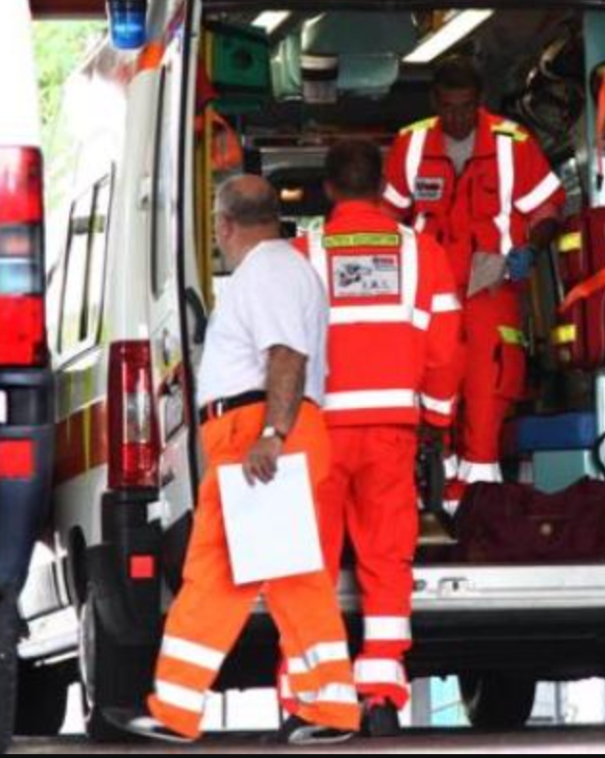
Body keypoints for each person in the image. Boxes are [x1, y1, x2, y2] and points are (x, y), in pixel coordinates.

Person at [119, 175, 360, 744]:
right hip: (263, 431)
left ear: (224, 226)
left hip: (260, 433)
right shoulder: (282, 267)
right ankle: (326, 704)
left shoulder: (268, 272)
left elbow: (286, 357)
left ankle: (180, 708)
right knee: (277, 576)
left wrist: (272, 434)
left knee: (223, 571)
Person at [297, 141, 461, 736]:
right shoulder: (423, 254)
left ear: (329, 190)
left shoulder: (303, 253)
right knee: (386, 561)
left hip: (318, 432)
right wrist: (439, 420)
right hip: (392, 432)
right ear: (385, 185)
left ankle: (314, 696)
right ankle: (382, 690)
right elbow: (445, 347)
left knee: (309, 562)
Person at [383, 56, 565, 513]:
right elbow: (389, 218)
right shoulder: (411, 144)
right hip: (431, 283)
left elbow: (547, 210)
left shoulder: (513, 142)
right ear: (434, 102)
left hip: (492, 280)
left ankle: (481, 491)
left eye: (465, 107)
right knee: (431, 381)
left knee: (490, 382)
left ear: (479, 103)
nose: (457, 118)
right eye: (448, 107)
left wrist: (531, 252)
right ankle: (434, 484)